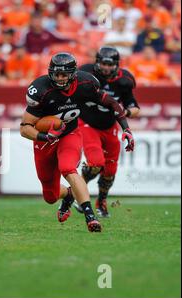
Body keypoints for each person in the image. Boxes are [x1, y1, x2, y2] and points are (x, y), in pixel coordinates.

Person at [19, 52, 135, 232]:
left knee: (68, 169)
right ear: (50, 72)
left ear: (73, 73)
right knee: (50, 196)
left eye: (64, 74)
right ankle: (69, 194)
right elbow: (25, 128)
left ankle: (90, 216)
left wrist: (126, 128)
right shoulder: (41, 89)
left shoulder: (86, 83)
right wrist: (45, 136)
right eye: (56, 74)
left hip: (69, 134)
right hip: (43, 141)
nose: (60, 78)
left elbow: (112, 103)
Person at [77, 46, 140, 217]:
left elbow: (134, 107)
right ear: (97, 62)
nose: (106, 67)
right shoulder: (85, 73)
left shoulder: (124, 80)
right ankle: (78, 190)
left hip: (110, 126)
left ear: (117, 64)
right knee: (96, 162)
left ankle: (101, 201)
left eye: (110, 64)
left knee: (110, 170)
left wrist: (124, 112)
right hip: (87, 122)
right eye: (103, 63)